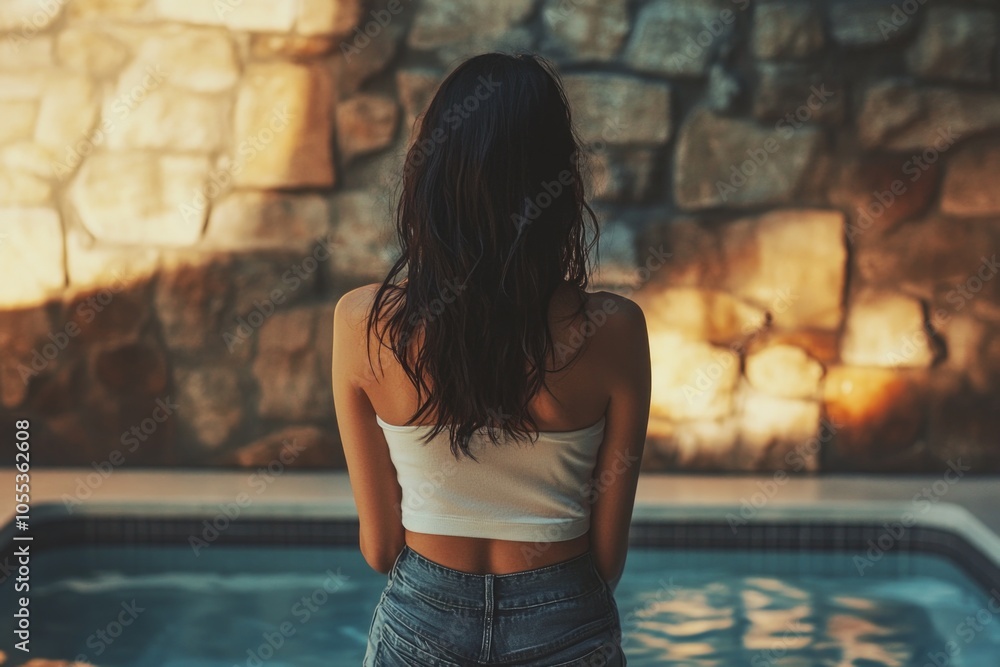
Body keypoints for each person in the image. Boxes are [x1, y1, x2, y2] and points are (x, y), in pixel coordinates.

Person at [332, 52, 651, 666]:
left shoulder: (362, 325)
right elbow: (606, 558)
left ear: (431, 179)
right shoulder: (614, 331)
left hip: (421, 622)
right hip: (566, 619)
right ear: (559, 187)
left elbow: (380, 550)